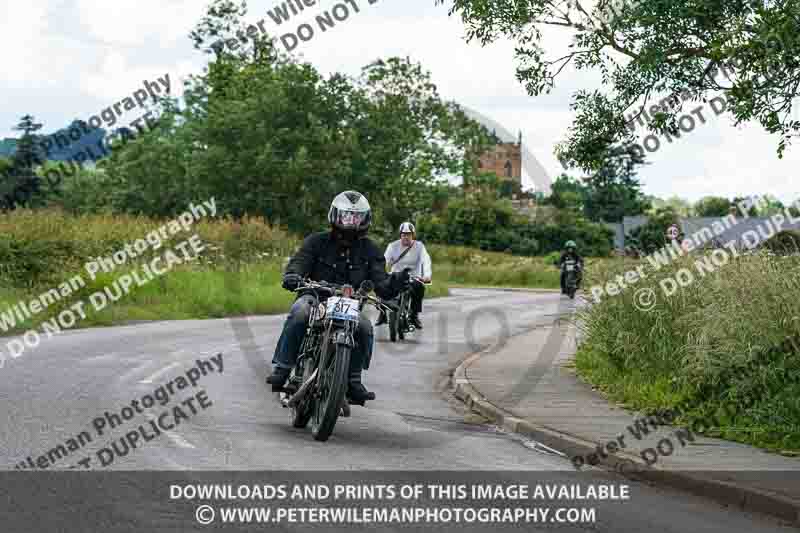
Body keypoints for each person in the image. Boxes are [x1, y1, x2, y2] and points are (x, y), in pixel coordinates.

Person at [266, 191, 410, 404]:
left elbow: (381, 283)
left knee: (364, 327)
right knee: (300, 312)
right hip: (315, 297)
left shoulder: (370, 250)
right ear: (335, 215)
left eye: (357, 217)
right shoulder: (317, 242)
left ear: (365, 219)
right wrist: (293, 275)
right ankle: (283, 367)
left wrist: (395, 282)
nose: (351, 223)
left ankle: (353, 380)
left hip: (349, 305)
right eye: (346, 216)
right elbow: (300, 261)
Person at [375, 222, 432, 330]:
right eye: (404, 234)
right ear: (400, 235)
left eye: (409, 234)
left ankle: (414, 315)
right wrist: (379, 273)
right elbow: (384, 261)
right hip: (396, 276)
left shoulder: (419, 246)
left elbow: (426, 260)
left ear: (413, 235)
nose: (406, 237)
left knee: (420, 288)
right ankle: (382, 314)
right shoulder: (392, 246)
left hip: (414, 277)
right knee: (381, 286)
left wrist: (427, 275)